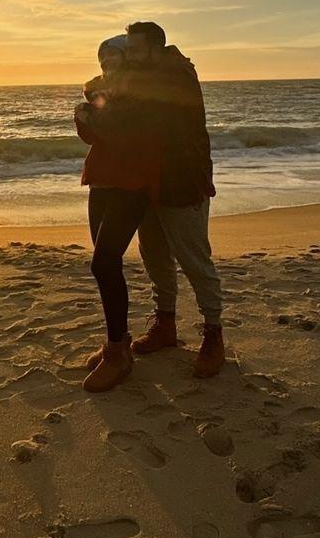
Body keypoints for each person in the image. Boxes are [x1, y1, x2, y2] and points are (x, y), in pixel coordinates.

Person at [120, 21, 228, 377]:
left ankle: (213, 334)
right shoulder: (150, 74)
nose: (130, 56)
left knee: (194, 260)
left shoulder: (177, 75)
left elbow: (147, 114)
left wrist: (110, 87)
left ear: (155, 49)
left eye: (135, 50)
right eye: (127, 50)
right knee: (155, 257)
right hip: (149, 183)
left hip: (182, 182)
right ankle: (165, 323)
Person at [73, 35, 162, 392]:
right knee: (106, 265)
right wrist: (85, 117)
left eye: (114, 56)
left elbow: (127, 136)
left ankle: (117, 355)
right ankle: (119, 342)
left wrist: (94, 116)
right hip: (101, 181)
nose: (108, 63)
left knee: (103, 263)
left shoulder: (141, 92)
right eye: (103, 58)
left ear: (127, 59)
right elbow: (94, 137)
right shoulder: (100, 90)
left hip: (132, 184)